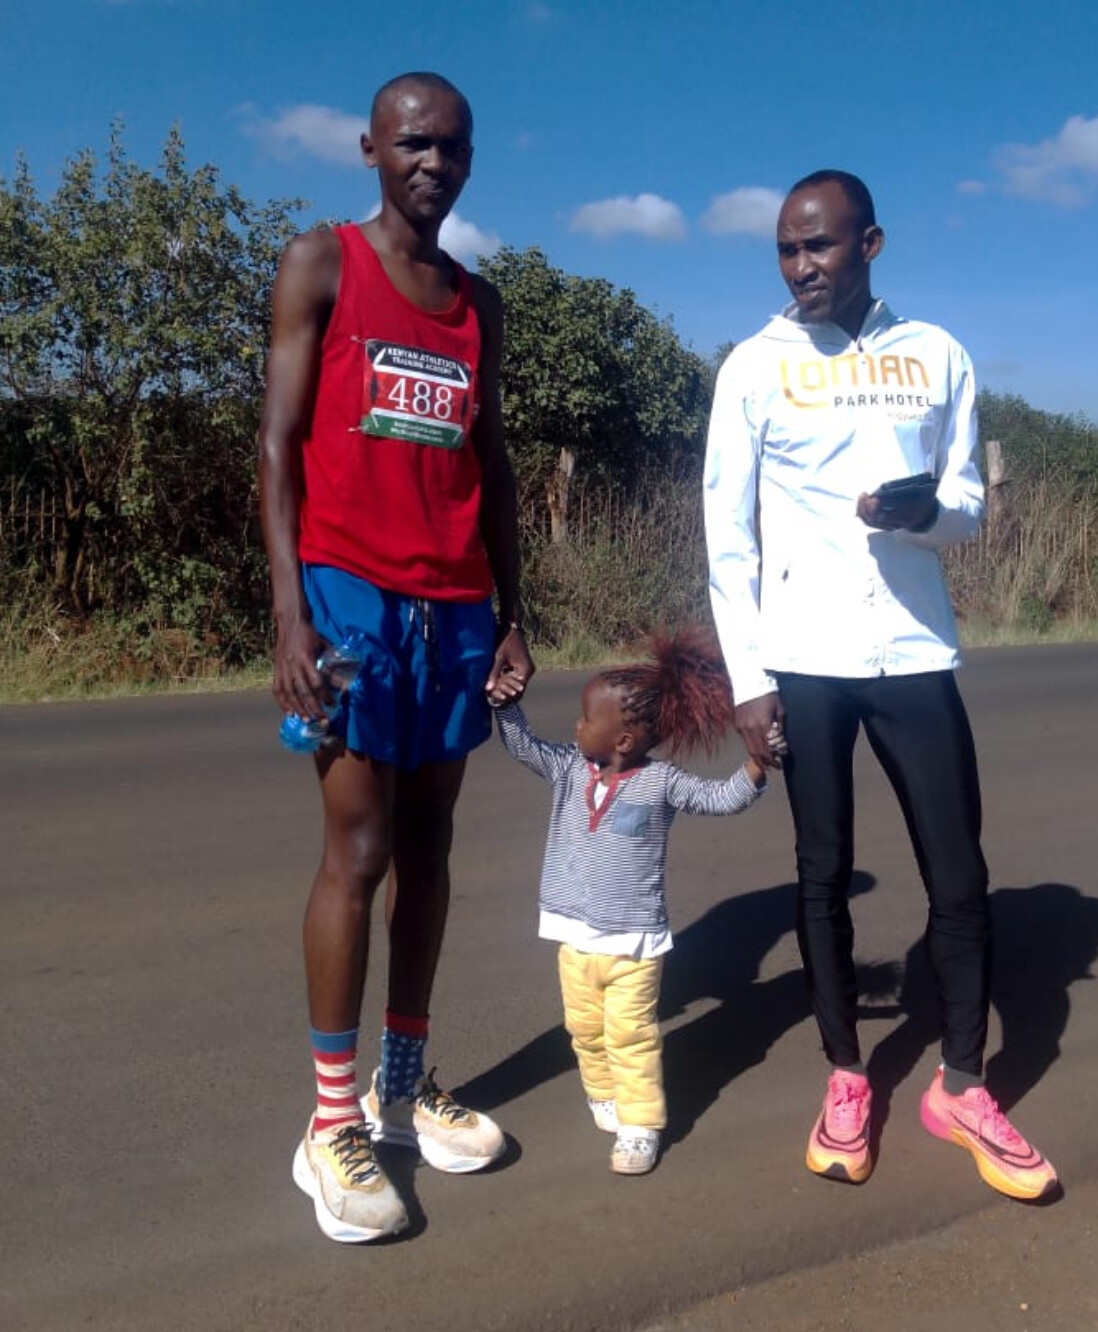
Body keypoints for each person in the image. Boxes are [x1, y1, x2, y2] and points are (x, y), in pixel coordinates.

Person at [702, 169, 1057, 1202]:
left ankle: (963, 1084)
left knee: (960, 874)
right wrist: (748, 678)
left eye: (819, 245)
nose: (800, 266)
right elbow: (727, 535)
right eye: (786, 248)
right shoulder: (755, 365)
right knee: (822, 873)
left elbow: (969, 505)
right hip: (802, 657)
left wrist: (920, 515)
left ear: (871, 244)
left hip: (912, 650)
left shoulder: (936, 353)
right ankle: (848, 1076)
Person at [257, 71, 534, 1244]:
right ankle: (332, 1127)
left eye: (453, 147)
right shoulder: (322, 263)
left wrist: (514, 611)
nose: (434, 163)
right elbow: (277, 443)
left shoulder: (479, 303)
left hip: (457, 605)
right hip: (349, 598)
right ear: (370, 148)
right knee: (359, 850)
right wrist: (290, 616)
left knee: (431, 850)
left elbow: (493, 464)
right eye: (414, 142)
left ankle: (402, 1088)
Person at [486, 627, 766, 1175]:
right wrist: (505, 707)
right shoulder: (569, 768)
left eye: (585, 719)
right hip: (573, 940)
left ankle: (641, 1126)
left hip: (632, 946)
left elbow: (719, 799)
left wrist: (756, 766)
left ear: (623, 740)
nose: (576, 726)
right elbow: (523, 746)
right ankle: (603, 1094)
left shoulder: (661, 782)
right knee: (585, 1031)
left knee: (631, 1036)